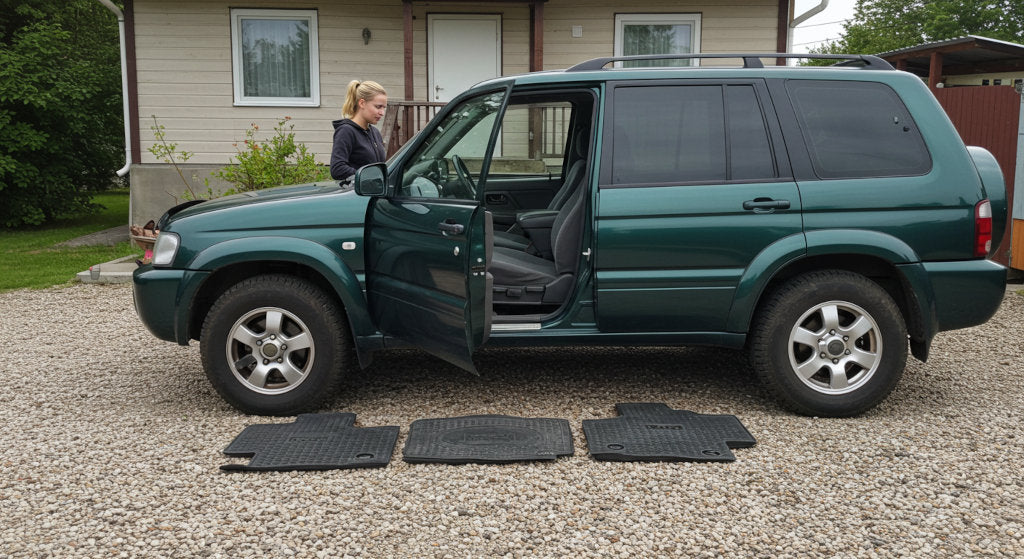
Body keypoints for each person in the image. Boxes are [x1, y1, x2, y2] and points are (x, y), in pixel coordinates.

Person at [330, 80, 387, 181]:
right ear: (362, 103)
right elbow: (337, 169)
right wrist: (368, 178)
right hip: (356, 194)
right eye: (378, 107)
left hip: (373, 193)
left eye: (384, 108)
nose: (382, 112)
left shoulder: (375, 133)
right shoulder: (346, 131)